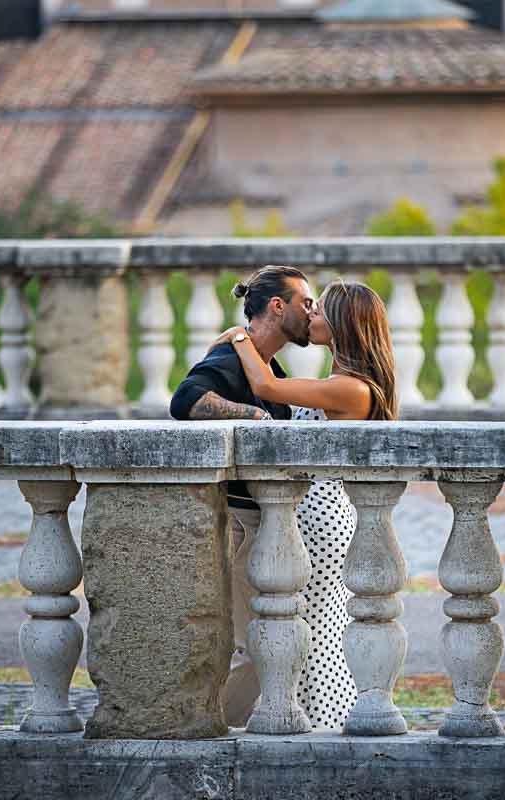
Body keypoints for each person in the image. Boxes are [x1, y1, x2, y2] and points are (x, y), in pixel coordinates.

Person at [211, 279, 398, 729]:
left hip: (319, 519)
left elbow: (267, 386)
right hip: (309, 515)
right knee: (310, 633)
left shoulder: (352, 390)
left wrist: (238, 336)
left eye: (320, 311)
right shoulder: (340, 382)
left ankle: (319, 726)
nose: (310, 316)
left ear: (343, 325)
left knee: (309, 637)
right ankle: (311, 722)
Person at [169, 264, 316, 727]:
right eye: (305, 303)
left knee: (270, 638)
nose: (311, 313)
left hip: (264, 522)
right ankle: (206, 730)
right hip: (241, 523)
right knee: (256, 644)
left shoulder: (265, 363)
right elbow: (185, 399)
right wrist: (253, 419)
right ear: (278, 306)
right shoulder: (232, 360)